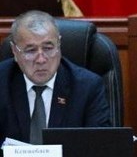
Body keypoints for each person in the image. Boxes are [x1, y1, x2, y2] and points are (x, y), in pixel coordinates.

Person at [0, 10, 110, 144]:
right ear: (14, 51)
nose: (41, 60)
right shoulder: (3, 81)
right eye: (31, 50)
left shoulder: (88, 87)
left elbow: (100, 146)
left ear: (59, 45)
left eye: (48, 48)